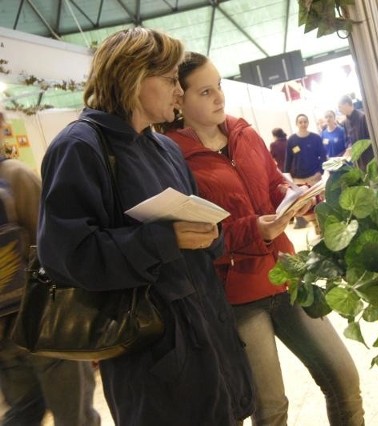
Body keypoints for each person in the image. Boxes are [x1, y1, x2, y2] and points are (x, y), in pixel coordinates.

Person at [36, 29, 254, 425]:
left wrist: (210, 234)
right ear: (133, 77)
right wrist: (161, 239)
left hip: (208, 336)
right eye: (171, 80)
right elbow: (66, 257)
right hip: (149, 354)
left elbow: (194, 230)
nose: (178, 91)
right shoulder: (80, 147)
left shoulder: (164, 146)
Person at [163, 52, 364, 426]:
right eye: (205, 92)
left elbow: (272, 184)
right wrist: (254, 228)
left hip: (287, 274)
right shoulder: (174, 157)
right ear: (179, 99)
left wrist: (295, 198)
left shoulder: (243, 132)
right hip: (238, 294)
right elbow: (197, 232)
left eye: (219, 86)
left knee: (345, 380)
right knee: (271, 409)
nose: (219, 98)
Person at [0, 112, 101, 426]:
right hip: (45, 322)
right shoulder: (16, 175)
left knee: (23, 412)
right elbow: (51, 248)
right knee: (76, 415)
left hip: (4, 335)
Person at [284, 113, 327, 230]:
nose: (303, 124)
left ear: (308, 123)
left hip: (314, 177)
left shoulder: (316, 138)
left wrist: (320, 171)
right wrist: (286, 176)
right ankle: (315, 226)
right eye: (300, 122)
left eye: (305, 122)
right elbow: (288, 159)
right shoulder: (292, 140)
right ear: (297, 124)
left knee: (319, 204)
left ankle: (322, 227)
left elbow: (323, 156)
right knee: (305, 207)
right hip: (298, 178)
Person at [338, 95, 374, 169]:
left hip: (368, 158)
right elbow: (347, 140)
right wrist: (349, 147)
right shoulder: (345, 122)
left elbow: (370, 139)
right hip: (356, 160)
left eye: (340, 107)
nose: (339, 110)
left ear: (347, 104)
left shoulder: (363, 117)